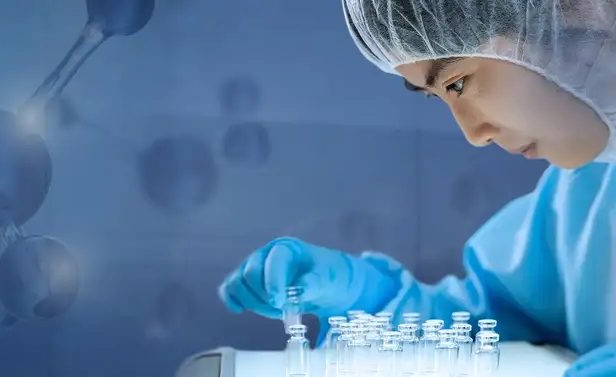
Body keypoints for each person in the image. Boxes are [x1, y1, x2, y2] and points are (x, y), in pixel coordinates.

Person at [218, 1, 616, 376]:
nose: (473, 134)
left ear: (581, 8)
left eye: (457, 84)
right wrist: (367, 300)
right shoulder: (588, 191)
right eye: (437, 97)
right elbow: (489, 329)